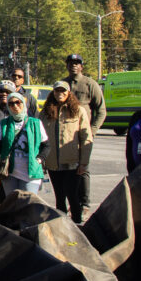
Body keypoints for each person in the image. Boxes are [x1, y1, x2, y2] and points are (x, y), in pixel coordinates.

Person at [40, 81, 93, 222]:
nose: (60, 94)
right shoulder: (45, 112)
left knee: (73, 195)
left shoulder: (78, 111)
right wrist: (41, 160)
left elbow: (86, 139)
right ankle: (62, 225)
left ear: (69, 93)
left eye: (63, 91)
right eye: (57, 91)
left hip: (72, 163)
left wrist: (83, 163)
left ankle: (76, 223)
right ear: (53, 92)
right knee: (59, 197)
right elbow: (40, 137)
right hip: (52, 164)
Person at [0, 93, 46, 196]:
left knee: (28, 205)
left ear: (23, 104)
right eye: (11, 104)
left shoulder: (36, 123)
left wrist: (39, 159)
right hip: (10, 172)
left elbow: (46, 145)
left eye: (18, 102)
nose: (15, 106)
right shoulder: (3, 124)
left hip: (31, 172)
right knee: (13, 205)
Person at [63, 54, 106, 131]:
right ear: (67, 66)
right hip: (64, 131)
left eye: (76, 64)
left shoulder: (90, 84)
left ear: (81, 67)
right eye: (71, 63)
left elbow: (101, 111)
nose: (73, 66)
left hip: (83, 130)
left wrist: (92, 131)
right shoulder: (62, 84)